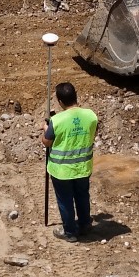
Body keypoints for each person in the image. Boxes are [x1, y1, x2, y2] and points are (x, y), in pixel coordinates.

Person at [42, 81, 98, 241]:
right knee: (82, 196)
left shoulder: (57, 120)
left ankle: (70, 232)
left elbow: (47, 142)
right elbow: (92, 134)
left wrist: (45, 130)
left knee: (65, 200)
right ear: (76, 96)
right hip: (83, 167)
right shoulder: (91, 116)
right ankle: (85, 224)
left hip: (62, 170)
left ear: (60, 102)